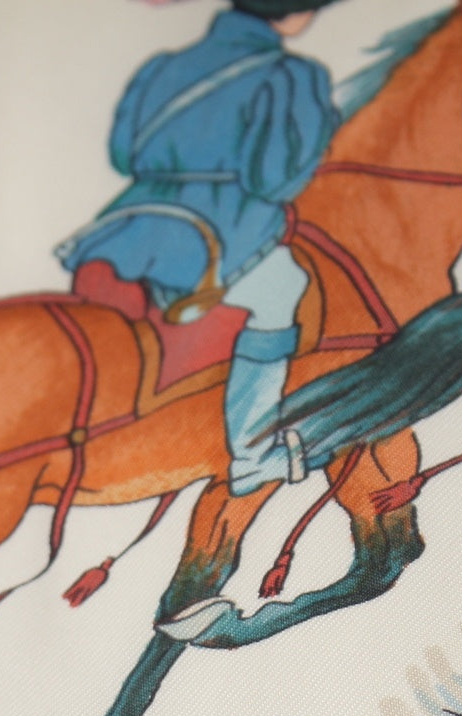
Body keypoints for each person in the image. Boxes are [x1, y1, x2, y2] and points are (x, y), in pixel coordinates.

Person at [58, 0, 341, 495]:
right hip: (220, 229)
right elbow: (274, 179)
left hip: (127, 227)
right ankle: (253, 456)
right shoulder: (291, 75)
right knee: (283, 285)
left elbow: (123, 154)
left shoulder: (161, 67)